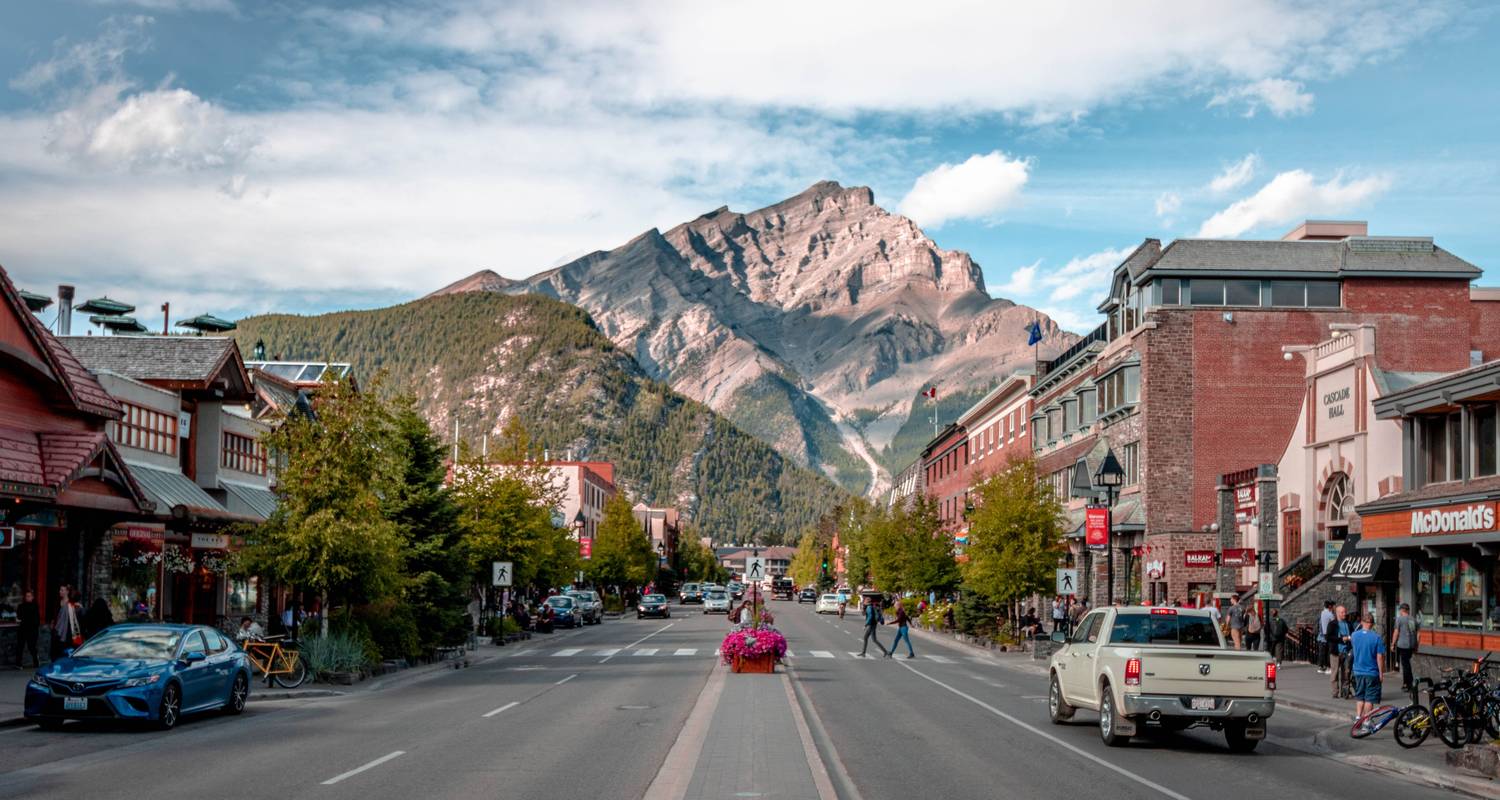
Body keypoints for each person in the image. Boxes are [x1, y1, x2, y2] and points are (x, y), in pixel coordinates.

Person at [1350, 611, 1387, 731]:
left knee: (1360, 696)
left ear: (1362, 622)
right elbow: (1379, 657)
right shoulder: (1376, 638)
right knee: (1369, 698)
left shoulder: (1354, 635)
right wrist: (1381, 673)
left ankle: (1357, 718)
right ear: (1372, 624)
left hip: (1358, 671)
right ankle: (1366, 721)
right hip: (1371, 672)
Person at [1390, 602, 1419, 691]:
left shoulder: (1400, 619)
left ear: (1402, 610)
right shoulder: (1413, 619)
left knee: (1405, 665)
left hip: (1403, 645)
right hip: (1411, 645)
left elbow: (1396, 632)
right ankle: (1408, 683)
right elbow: (1418, 634)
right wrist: (1416, 645)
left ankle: (1408, 684)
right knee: (1406, 663)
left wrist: (1392, 644)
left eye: (1400, 610)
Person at [50, 585, 82, 661]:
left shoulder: (72, 604)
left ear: (67, 592)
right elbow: (54, 615)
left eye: (62, 590)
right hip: (56, 630)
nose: (60, 592)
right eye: (60, 590)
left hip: (66, 632)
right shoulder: (57, 602)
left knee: (63, 652)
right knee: (54, 653)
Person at [1328, 604, 1352, 699]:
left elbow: (1353, 634)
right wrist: (1342, 639)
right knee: (1335, 673)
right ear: (1337, 613)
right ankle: (1335, 692)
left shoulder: (1348, 623)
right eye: (1342, 612)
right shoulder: (1332, 624)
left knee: (1346, 673)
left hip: (1346, 652)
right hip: (1336, 652)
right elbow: (1329, 637)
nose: (1344, 614)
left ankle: (1345, 692)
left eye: (1345, 612)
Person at [17, 589, 40, 667]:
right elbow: (19, 616)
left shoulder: (35, 606)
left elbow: (36, 619)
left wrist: (26, 620)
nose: (27, 598)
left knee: (32, 646)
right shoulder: (21, 606)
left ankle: (36, 662)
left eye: (29, 596)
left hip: (32, 630)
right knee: (20, 646)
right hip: (23, 629)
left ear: (32, 597)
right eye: (26, 596)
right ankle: (18, 663)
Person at [1317, 600, 1336, 674]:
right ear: (1330, 606)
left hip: (1321, 635)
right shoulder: (1330, 614)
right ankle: (1329, 667)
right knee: (1329, 651)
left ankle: (1321, 666)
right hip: (1328, 635)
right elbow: (1335, 623)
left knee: (1322, 652)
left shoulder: (1322, 613)